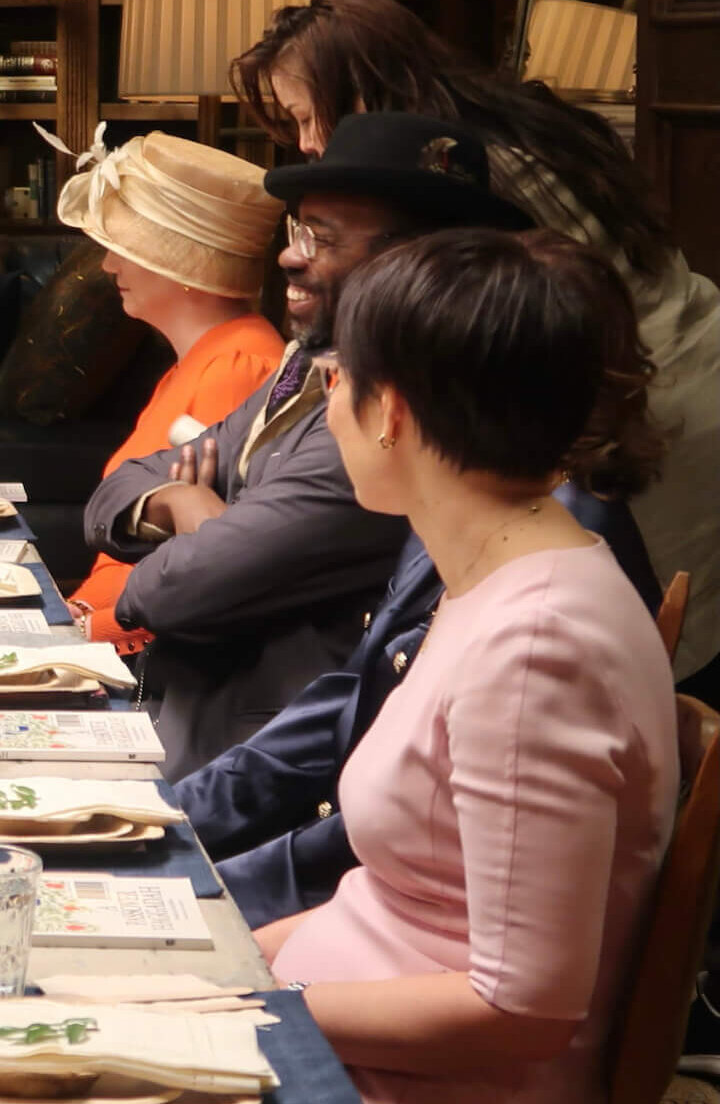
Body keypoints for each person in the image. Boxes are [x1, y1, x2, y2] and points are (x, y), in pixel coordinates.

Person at [260, 228, 677, 1104]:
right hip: (353, 1072)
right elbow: (405, 904)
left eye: (338, 376)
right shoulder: (500, 573)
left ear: (393, 411)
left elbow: (520, 1010)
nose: (327, 398)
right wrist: (217, 965)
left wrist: (254, 1007)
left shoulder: (537, 645)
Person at [234, 0, 720, 690]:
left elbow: (527, 333)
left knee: (627, 652)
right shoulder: (513, 128)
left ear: (363, 86)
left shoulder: (463, 188)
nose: (307, 142)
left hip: (652, 425)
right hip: (686, 377)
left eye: (308, 116)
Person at [81, 113, 520, 775]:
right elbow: (108, 501)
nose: (289, 255)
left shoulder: (390, 419)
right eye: (297, 230)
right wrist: (183, 503)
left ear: (413, 261)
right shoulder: (310, 367)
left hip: (244, 759)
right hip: (190, 726)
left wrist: (198, 533)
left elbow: (173, 594)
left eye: (323, 238)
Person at [41, 130, 287, 650]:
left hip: (133, 648)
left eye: (126, 248)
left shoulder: (237, 368)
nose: (108, 265)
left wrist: (74, 635)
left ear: (183, 264)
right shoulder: (202, 359)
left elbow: (201, 575)